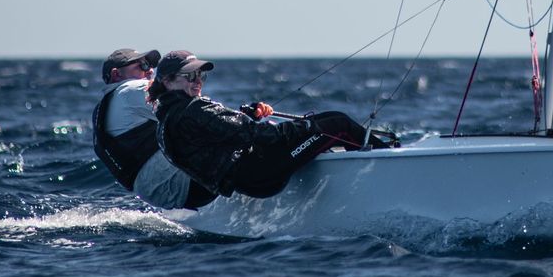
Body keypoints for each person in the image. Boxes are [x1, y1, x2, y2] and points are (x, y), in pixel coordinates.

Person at [149, 50, 396, 201]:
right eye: (190, 76)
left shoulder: (165, 120)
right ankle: (392, 165)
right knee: (338, 124)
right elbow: (263, 135)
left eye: (201, 75)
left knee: (326, 118)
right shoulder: (193, 109)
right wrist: (305, 128)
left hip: (247, 178)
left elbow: (216, 135)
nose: (198, 81)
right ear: (167, 81)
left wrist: (247, 117)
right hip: (262, 172)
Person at [91, 47, 216, 210]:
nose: (150, 70)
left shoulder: (102, 109)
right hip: (183, 184)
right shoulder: (130, 89)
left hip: (160, 193)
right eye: (142, 66)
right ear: (116, 74)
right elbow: (190, 111)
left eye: (150, 65)